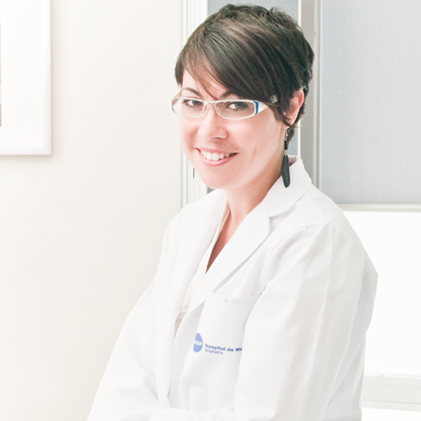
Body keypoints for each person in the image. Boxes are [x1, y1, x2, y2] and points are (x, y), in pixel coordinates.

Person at [87, 4, 377, 421]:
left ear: (291, 107)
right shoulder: (189, 226)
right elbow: (125, 384)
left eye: (236, 105)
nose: (208, 129)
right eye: (193, 101)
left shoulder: (317, 244)